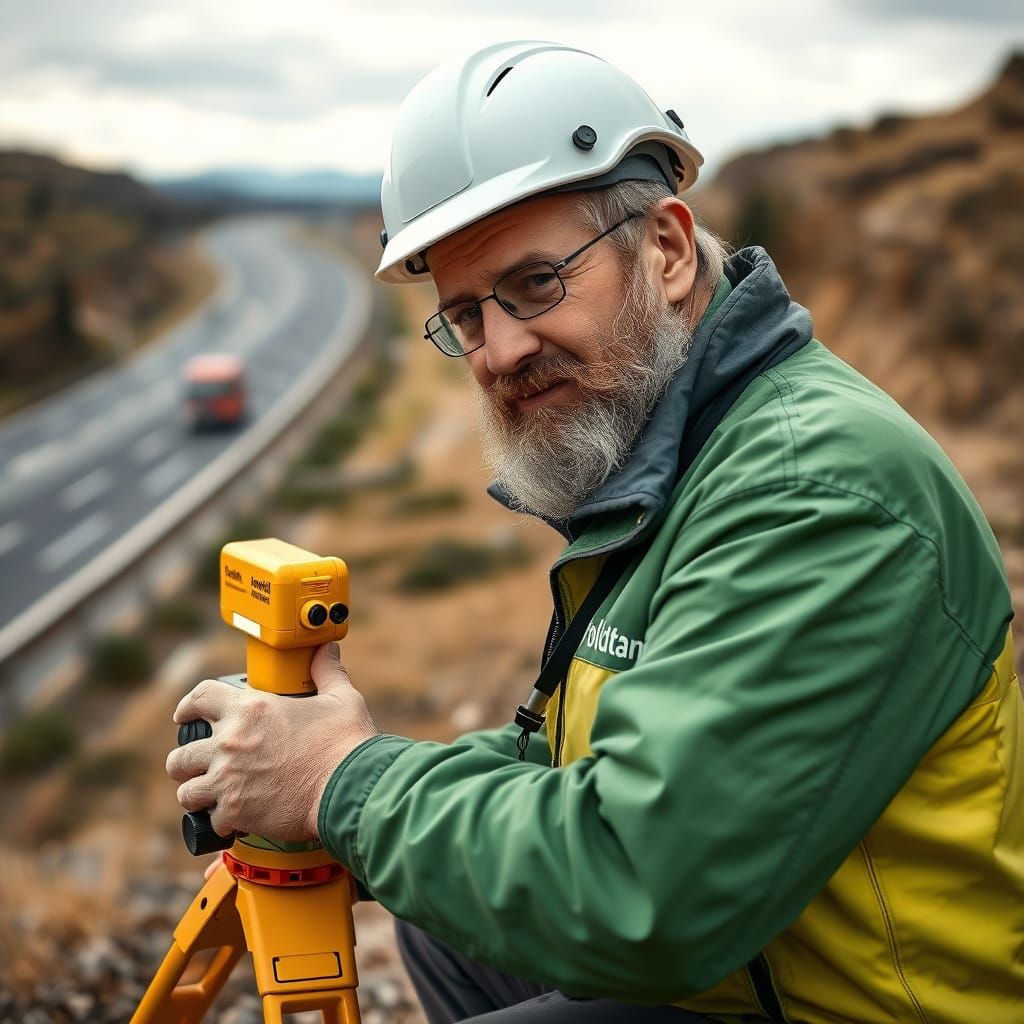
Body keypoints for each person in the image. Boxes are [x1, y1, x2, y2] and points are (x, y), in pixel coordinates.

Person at [166, 41, 1024, 1023]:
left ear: (662, 249)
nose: (501, 348)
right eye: (463, 316)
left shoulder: (812, 492)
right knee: (446, 927)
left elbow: (644, 888)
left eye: (536, 282)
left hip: (861, 1005)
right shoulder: (681, 449)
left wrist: (340, 785)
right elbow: (596, 765)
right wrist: (330, 779)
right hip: (760, 961)